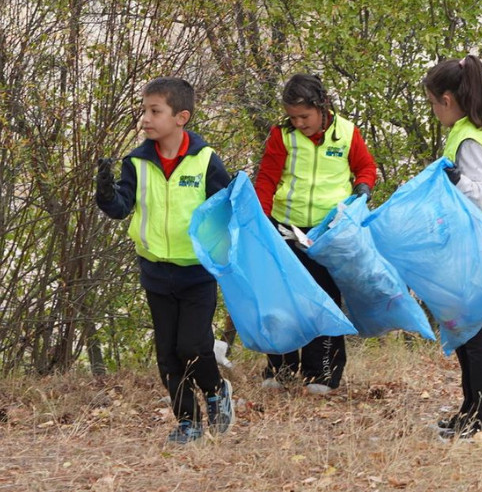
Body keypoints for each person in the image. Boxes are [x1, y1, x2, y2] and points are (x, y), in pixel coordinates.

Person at [96, 77, 235, 443]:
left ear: (181, 117)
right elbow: (121, 208)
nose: (145, 118)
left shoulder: (206, 160)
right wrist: (106, 194)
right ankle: (188, 423)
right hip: (156, 272)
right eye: (144, 110)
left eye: (154, 111)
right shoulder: (136, 163)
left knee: (193, 347)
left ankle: (217, 391)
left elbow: (225, 211)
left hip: (197, 273)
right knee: (168, 355)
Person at [252, 73, 377, 395]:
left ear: (322, 107)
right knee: (282, 298)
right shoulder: (282, 135)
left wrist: (363, 187)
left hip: (328, 232)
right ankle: (280, 368)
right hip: (285, 225)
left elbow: (366, 167)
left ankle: (322, 372)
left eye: (304, 116)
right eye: (292, 117)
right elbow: (267, 178)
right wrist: (261, 219)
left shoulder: (347, 132)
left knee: (324, 300)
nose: (299, 123)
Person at [424, 54, 482, 444]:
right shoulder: (476, 129)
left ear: (447, 99)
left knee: (475, 338)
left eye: (432, 103)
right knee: (465, 333)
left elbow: (481, 195)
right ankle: (471, 412)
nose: (433, 111)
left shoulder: (470, 139)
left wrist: (455, 178)